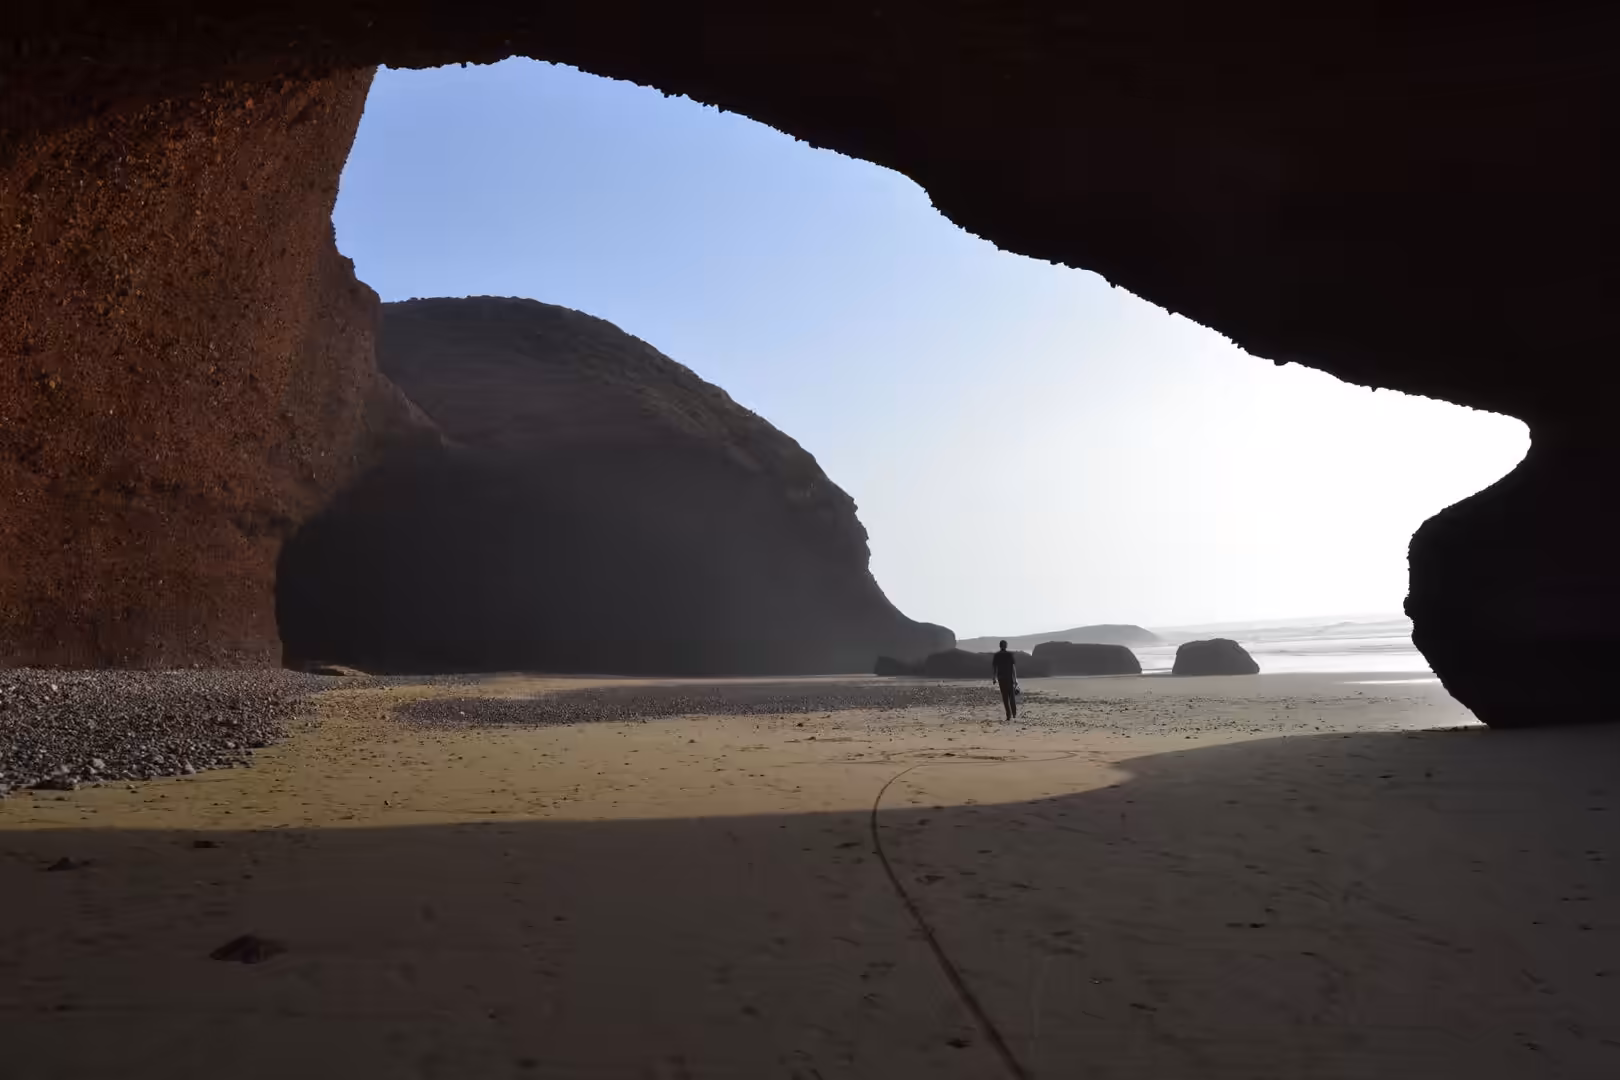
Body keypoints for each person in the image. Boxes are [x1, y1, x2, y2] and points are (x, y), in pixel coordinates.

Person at [990, 640, 1018, 720]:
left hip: (1001, 678)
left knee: (1005, 697)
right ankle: (1014, 713)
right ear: (1006, 646)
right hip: (1009, 678)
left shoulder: (997, 655)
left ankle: (1008, 715)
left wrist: (994, 677)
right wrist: (1015, 679)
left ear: (1000, 646)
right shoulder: (1009, 655)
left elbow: (994, 667)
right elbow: (1013, 668)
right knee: (1011, 696)